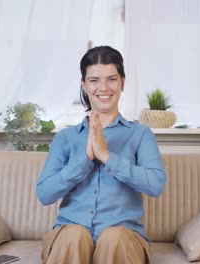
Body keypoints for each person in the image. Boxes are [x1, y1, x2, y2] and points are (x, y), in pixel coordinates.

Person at [36, 46, 166, 264]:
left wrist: (107, 156)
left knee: (113, 237)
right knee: (73, 235)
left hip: (124, 237)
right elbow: (45, 194)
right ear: (84, 85)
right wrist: (85, 159)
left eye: (111, 79)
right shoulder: (66, 138)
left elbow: (156, 185)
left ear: (122, 82)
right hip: (69, 236)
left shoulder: (141, 134)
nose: (103, 88)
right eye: (94, 80)